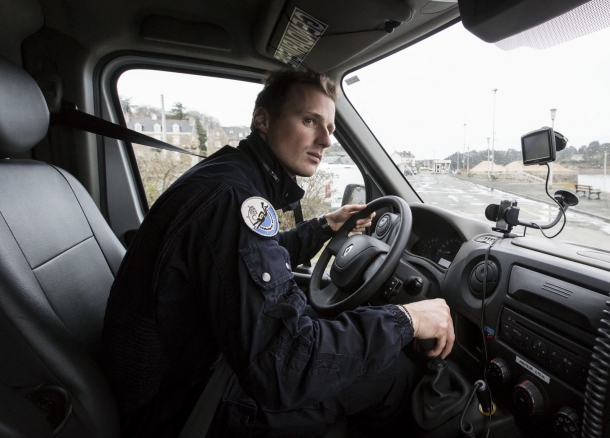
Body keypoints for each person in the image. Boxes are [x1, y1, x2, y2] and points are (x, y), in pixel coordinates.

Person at [100, 69, 455, 438]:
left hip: (191, 373)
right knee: (395, 378)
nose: (326, 139)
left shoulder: (230, 177)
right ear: (263, 120)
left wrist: (324, 227)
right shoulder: (234, 200)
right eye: (309, 120)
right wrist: (405, 319)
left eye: (330, 128)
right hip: (186, 408)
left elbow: (245, 262)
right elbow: (284, 366)